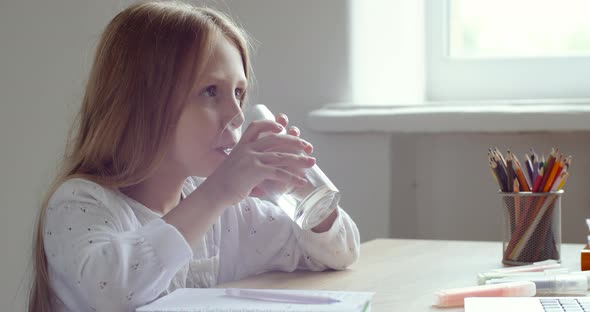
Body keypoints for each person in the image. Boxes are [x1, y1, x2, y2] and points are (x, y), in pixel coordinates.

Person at [28, 2, 360, 311]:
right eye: (210, 91)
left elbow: (338, 252)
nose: (236, 113)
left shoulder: (227, 214)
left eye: (239, 92)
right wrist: (217, 192)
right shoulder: (80, 203)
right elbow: (113, 291)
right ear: (142, 104)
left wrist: (304, 193)